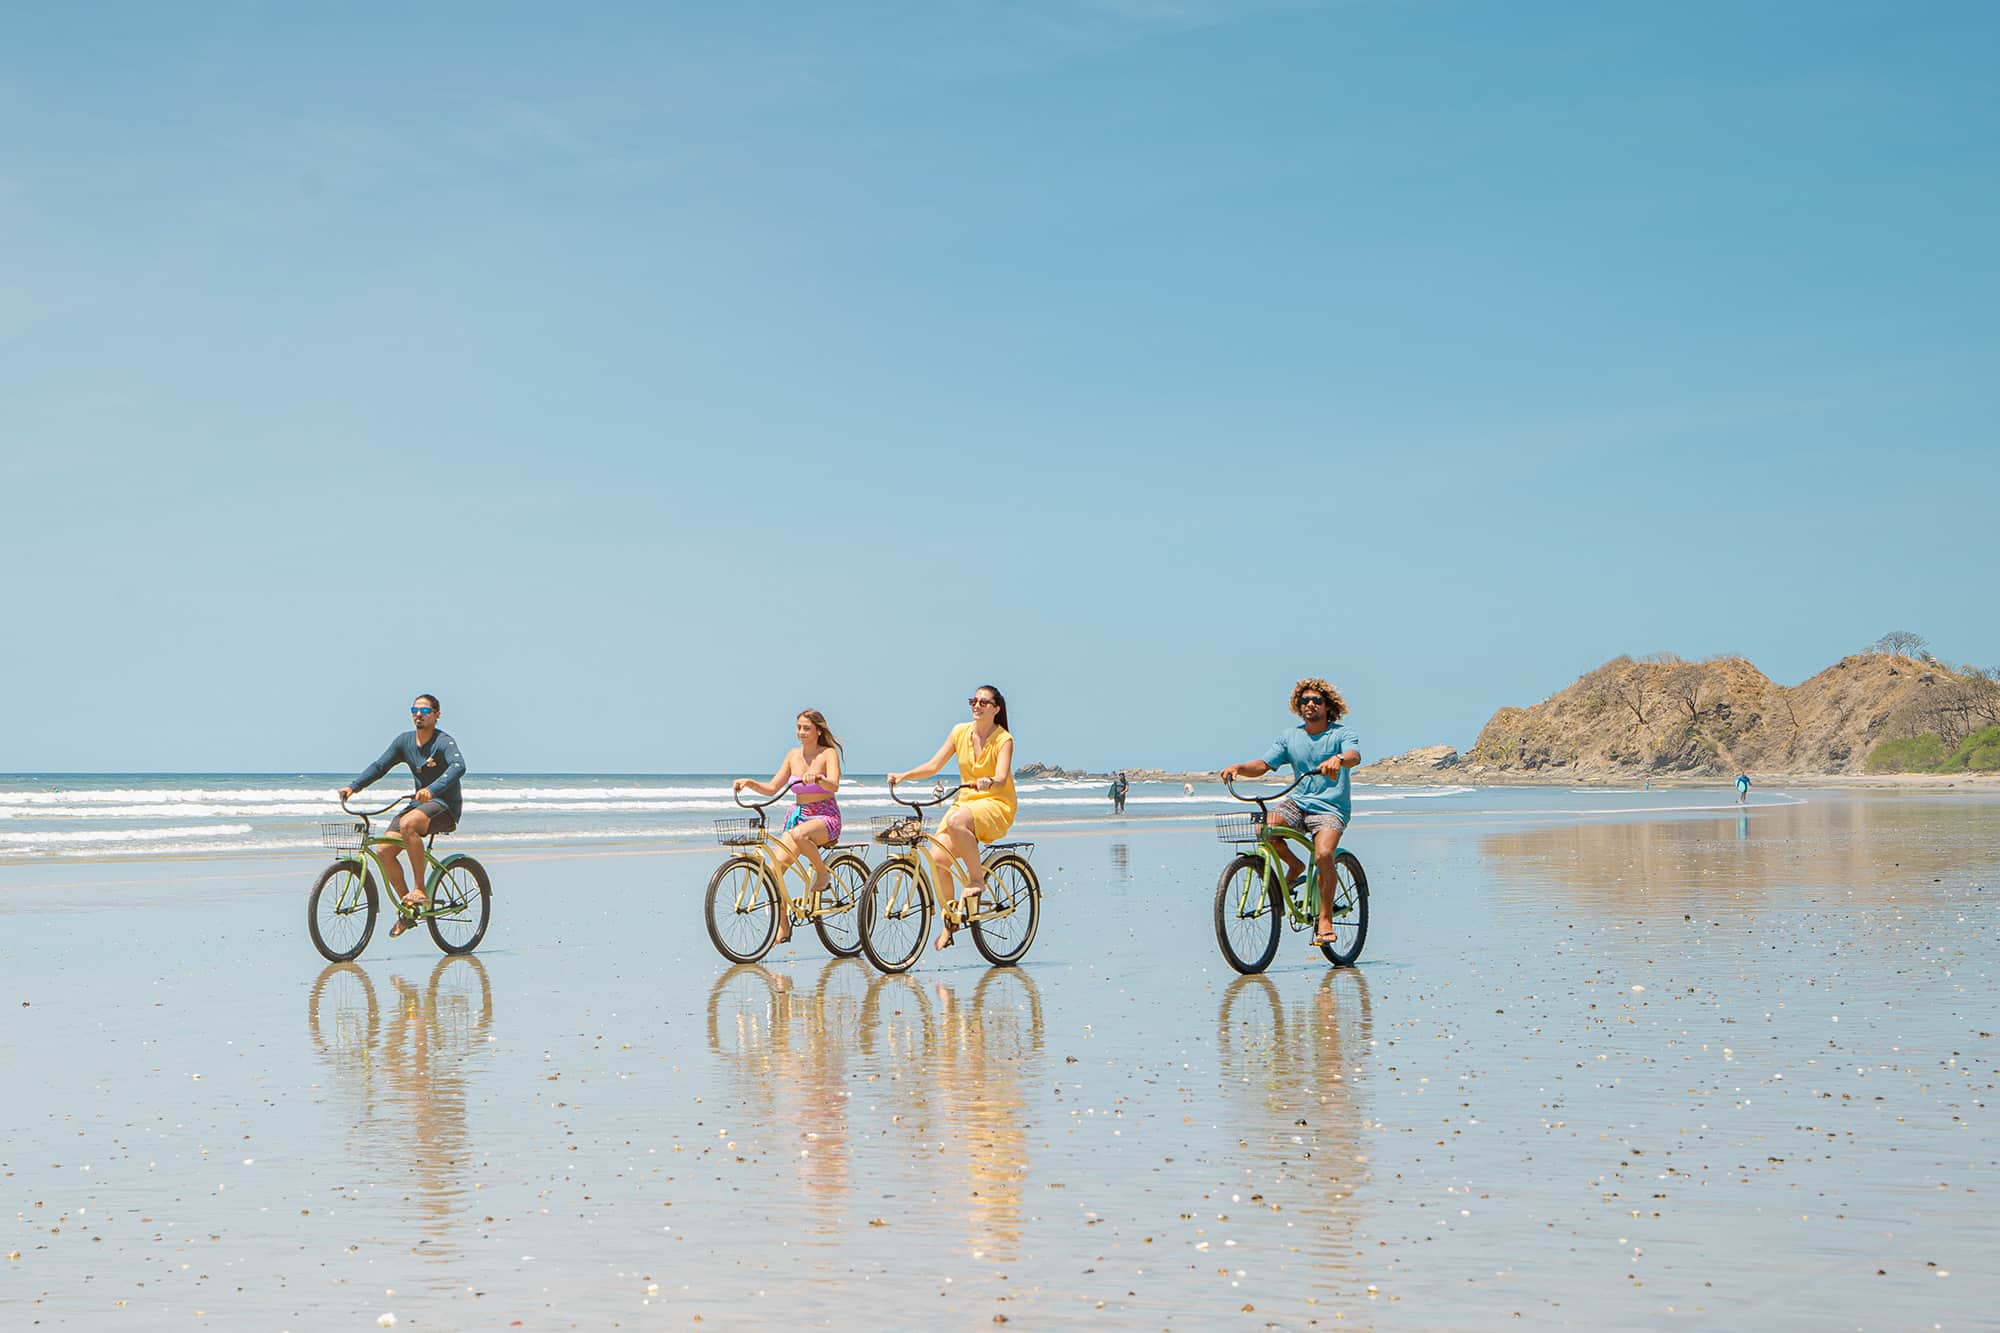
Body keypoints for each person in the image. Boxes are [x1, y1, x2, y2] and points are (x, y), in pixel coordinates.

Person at [1220, 678, 1361, 946]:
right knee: (1265, 829)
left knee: (1323, 854)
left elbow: (1354, 755)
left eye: (1316, 700)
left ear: (1328, 706)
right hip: (1298, 802)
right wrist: (1239, 767)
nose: (1310, 704)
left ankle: (1325, 919)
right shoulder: (1290, 737)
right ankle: (1294, 866)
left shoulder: (1341, 734)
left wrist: (1338, 760)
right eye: (1304, 700)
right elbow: (1263, 764)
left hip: (1331, 807)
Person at [887, 685, 1016, 953]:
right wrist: (904, 775)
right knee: (938, 859)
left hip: (995, 802)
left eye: (983, 702)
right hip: (965, 803)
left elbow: (1002, 777)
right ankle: (950, 922)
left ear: (996, 708)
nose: (976, 705)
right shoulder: (960, 732)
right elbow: (933, 766)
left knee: (958, 822)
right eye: (973, 701)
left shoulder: (1003, 739)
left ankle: (976, 879)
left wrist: (989, 781)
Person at [340, 694, 467, 938]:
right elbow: (380, 767)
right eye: (414, 710)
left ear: (437, 714)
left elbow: (459, 767)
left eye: (425, 710)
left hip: (444, 806)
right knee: (384, 851)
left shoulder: (443, 742)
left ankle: (420, 889)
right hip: (419, 807)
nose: (419, 714)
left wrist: (431, 790)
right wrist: (353, 787)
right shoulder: (404, 742)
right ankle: (408, 912)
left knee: (408, 824)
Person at [733, 710, 845, 946]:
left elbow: (834, 785)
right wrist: (750, 783)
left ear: (818, 731)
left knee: (800, 833)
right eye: (798, 727)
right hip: (799, 816)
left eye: (806, 728)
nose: (801, 732)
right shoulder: (793, 755)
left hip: (825, 817)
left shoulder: (828, 754)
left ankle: (822, 873)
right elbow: (772, 788)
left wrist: (818, 779)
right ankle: (784, 927)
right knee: (774, 872)